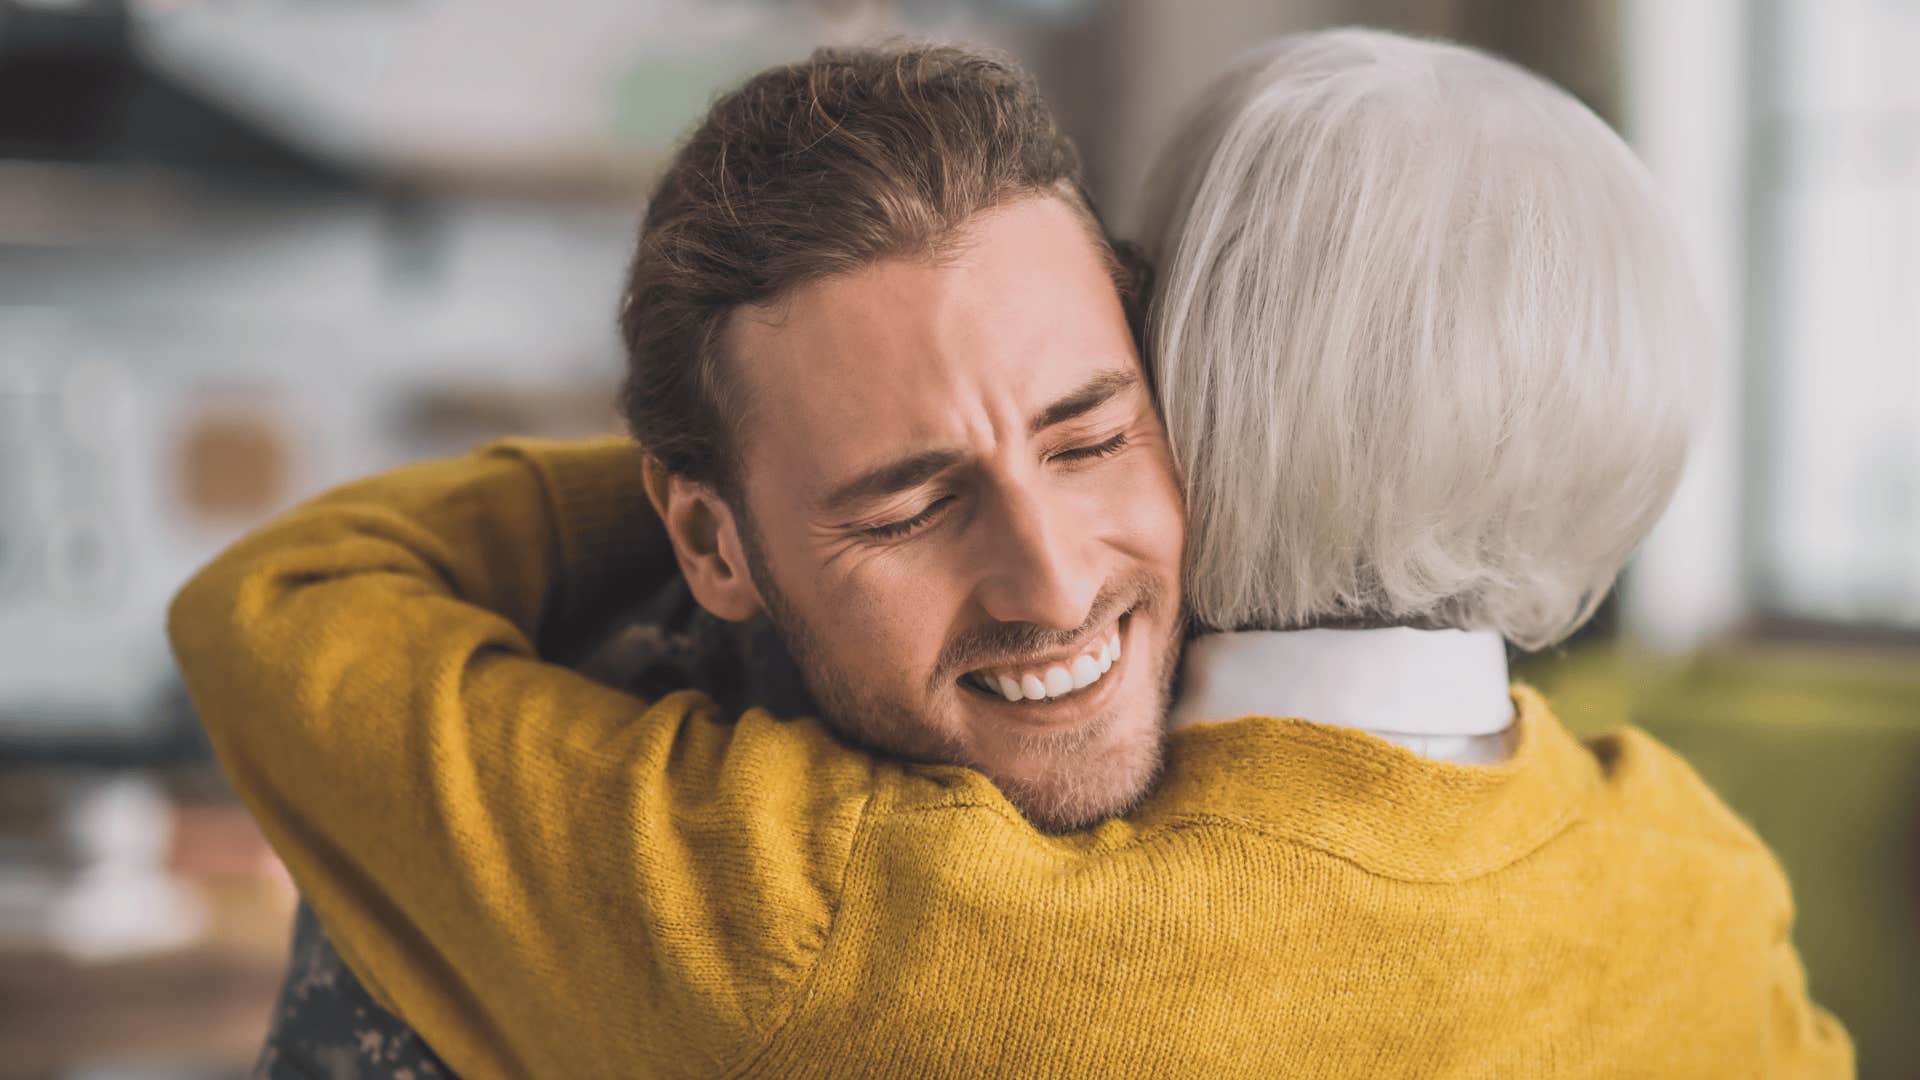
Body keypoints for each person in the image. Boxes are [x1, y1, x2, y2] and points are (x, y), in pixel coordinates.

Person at [172, 32, 1850, 1078]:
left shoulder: (818, 916)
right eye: (906, 504)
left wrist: (759, 489)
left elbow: (276, 607)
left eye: (1091, 430)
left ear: (1197, 384)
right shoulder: (1698, 875)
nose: (1052, 582)